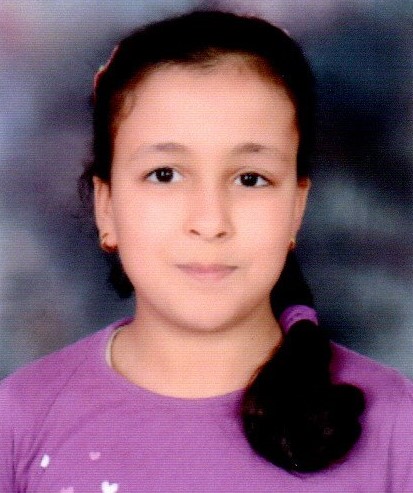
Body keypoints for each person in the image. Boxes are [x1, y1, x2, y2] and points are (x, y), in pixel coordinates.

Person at [1, 10, 412, 492]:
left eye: (250, 179)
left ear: (297, 207)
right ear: (106, 206)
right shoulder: (19, 420)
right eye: (164, 175)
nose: (211, 222)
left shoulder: (397, 425)